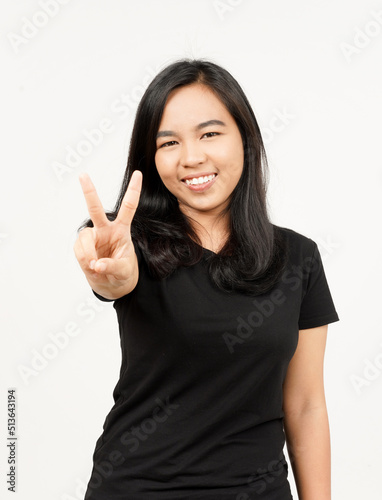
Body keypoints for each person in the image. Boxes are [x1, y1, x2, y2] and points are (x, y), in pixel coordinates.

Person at [74, 59, 339, 500]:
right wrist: (109, 274)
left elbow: (307, 404)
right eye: (169, 142)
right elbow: (113, 281)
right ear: (151, 157)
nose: (191, 156)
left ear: (245, 138)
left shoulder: (299, 258)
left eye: (210, 133)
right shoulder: (127, 245)